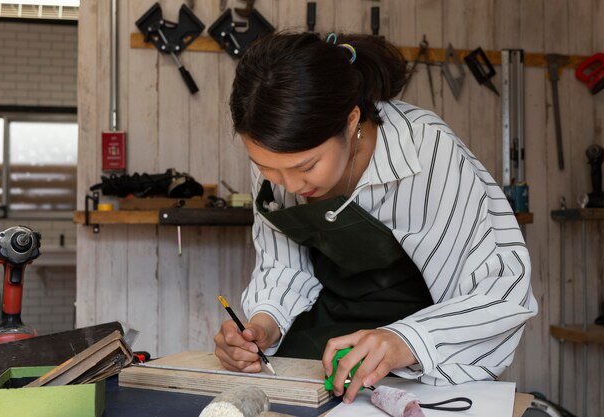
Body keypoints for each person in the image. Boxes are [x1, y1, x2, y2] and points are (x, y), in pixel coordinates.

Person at [214, 32, 538, 404]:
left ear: (352, 121)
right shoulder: (279, 164)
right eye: (265, 167)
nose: (288, 183)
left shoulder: (425, 151)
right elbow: (282, 265)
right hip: (322, 357)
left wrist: (406, 340)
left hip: (424, 365)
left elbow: (501, 288)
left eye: (306, 167)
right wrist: (262, 326)